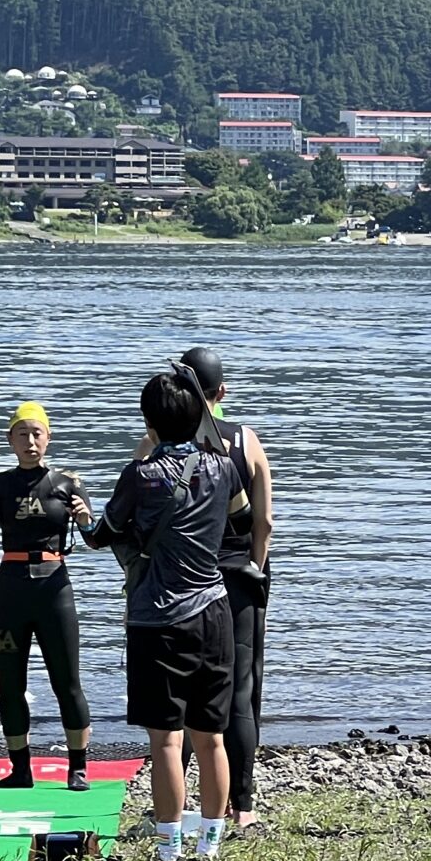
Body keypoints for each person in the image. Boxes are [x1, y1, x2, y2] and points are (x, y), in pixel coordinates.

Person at [88, 370, 245, 861]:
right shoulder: (224, 468)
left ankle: (169, 850)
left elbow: (102, 533)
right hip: (215, 612)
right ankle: (211, 847)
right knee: (212, 738)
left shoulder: (140, 475)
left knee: (166, 742)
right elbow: (241, 514)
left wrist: (82, 514)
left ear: (147, 421)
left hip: (158, 621)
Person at [0, 402, 94, 791]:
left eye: (37, 433)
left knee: (67, 682)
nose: (31, 441)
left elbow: (94, 538)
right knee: (10, 684)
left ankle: (77, 767)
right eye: (22, 434)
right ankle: (20, 769)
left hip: (54, 588)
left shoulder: (67, 482)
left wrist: (84, 520)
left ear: (49, 437)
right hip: (10, 590)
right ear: (10, 440)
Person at [178, 347, 275, 829]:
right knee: (240, 690)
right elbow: (265, 520)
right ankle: (243, 806)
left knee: (179, 689)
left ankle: (172, 802)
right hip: (238, 577)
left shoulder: (161, 440)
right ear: (223, 392)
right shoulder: (246, 439)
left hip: (183, 579)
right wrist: (254, 567)